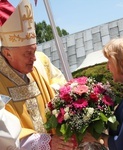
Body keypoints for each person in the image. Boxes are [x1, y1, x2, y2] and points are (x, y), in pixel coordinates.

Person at [0, 0, 73, 149]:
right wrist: (44, 143)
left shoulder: (41, 61)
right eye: (28, 53)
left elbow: (62, 86)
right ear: (8, 53)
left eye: (34, 50)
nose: (34, 57)